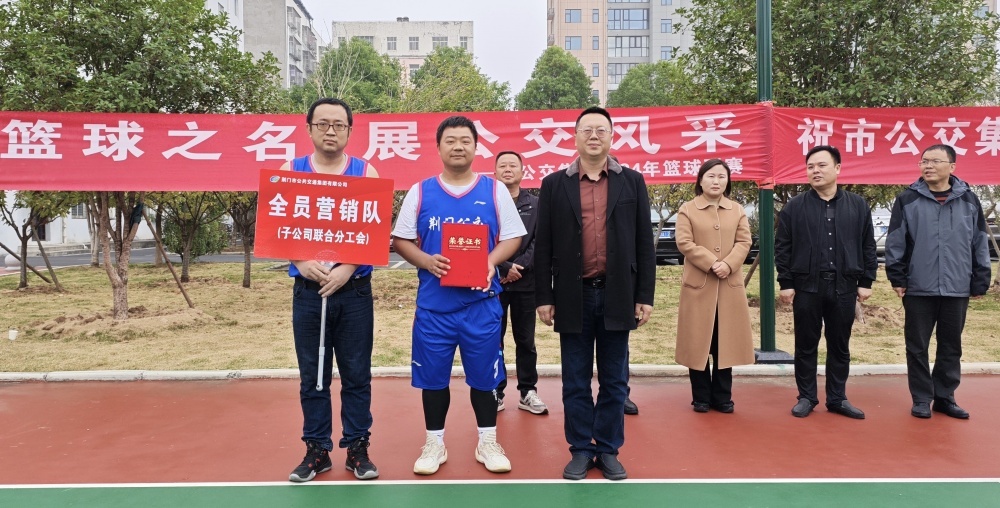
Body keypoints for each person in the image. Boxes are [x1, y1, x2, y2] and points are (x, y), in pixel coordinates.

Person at [391, 116, 525, 475]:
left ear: (476, 147)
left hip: (481, 305)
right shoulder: (421, 191)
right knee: (433, 379)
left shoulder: (494, 190)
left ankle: (488, 440)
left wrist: (490, 262)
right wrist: (425, 260)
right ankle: (434, 443)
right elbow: (400, 239)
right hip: (435, 307)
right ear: (438, 147)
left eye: (465, 140)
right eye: (450, 140)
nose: (458, 147)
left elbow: (513, 236)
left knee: (485, 378)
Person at [535, 106, 655, 481]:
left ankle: (607, 448)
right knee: (575, 379)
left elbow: (644, 243)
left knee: (615, 380)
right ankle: (580, 449)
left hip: (619, 293)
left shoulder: (631, 182)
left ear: (611, 136)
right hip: (574, 295)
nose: (593, 136)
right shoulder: (554, 185)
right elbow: (543, 245)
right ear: (575, 136)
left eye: (601, 130)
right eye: (586, 129)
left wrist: (645, 295)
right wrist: (544, 296)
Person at [281, 98, 381, 482]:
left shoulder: (365, 172)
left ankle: (357, 448)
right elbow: (277, 225)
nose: (330, 131)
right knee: (313, 375)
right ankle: (317, 450)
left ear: (349, 131)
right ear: (309, 128)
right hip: (308, 292)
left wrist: (347, 269)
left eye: (338, 125)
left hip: (353, 291)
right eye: (322, 123)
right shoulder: (291, 171)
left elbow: (373, 230)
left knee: (356, 373)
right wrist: (302, 262)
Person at [885, 144, 992, 420]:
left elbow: (979, 241)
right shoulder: (907, 199)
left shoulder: (969, 200)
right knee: (917, 346)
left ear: (952, 167)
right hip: (918, 286)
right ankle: (922, 398)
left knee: (951, 345)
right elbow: (896, 241)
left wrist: (980, 277)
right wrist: (897, 276)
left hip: (957, 285)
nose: (928, 166)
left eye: (935, 161)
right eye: (924, 161)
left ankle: (945, 397)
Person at [775, 145, 876, 420]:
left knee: (840, 345)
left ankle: (837, 398)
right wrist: (786, 282)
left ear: (838, 168)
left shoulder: (857, 205)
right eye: (810, 167)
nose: (815, 171)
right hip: (807, 286)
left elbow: (867, 245)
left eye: (821, 165)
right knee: (805, 344)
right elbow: (783, 247)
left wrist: (866, 280)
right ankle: (806, 397)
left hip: (844, 286)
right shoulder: (795, 207)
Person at [674, 159, 756, 413]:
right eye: (711, 176)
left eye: (722, 176)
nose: (716, 181)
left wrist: (729, 264)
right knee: (698, 341)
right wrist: (711, 263)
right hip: (699, 286)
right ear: (700, 180)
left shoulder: (737, 209)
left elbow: (744, 242)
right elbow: (684, 242)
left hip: (728, 286)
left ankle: (722, 397)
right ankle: (700, 396)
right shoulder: (687, 209)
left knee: (725, 341)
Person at [494, 151, 548, 415]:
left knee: (525, 340)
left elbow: (540, 241)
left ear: (522, 171)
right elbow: (483, 239)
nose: (507, 169)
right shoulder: (487, 203)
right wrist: (504, 266)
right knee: (494, 340)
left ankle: (528, 391)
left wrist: (520, 268)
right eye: (502, 165)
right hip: (495, 282)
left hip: (526, 283)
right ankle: (496, 391)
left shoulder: (537, 204)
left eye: (512, 165)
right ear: (495, 172)